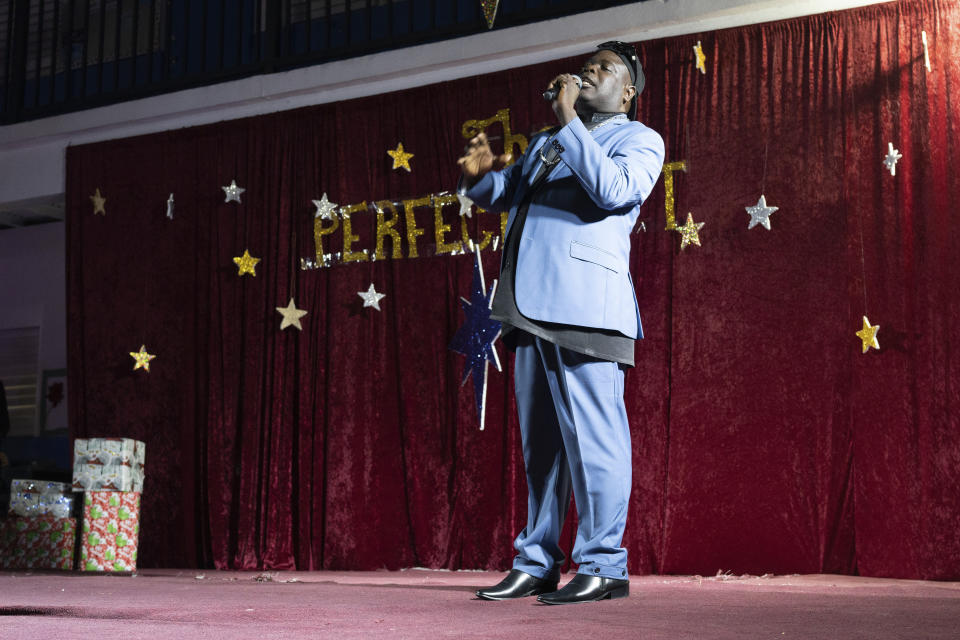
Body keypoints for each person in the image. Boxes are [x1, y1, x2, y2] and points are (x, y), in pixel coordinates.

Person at [458, 41, 664, 605]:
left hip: (585, 309)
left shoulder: (638, 139)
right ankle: (537, 561)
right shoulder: (549, 141)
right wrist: (482, 178)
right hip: (528, 307)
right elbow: (512, 195)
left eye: (603, 69)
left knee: (595, 443)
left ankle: (604, 564)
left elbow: (614, 191)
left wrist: (569, 119)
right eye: (586, 65)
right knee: (541, 448)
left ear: (627, 92)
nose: (587, 72)